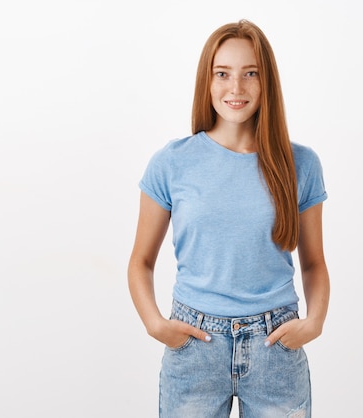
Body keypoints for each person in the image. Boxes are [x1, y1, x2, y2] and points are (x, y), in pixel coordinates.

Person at [127, 20, 329, 418]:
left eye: (250, 74)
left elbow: (314, 262)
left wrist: (315, 322)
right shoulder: (172, 163)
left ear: (266, 81)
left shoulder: (300, 164)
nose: (235, 88)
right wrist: (154, 323)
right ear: (207, 80)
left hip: (276, 347)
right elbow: (141, 261)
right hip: (194, 345)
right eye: (223, 74)